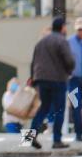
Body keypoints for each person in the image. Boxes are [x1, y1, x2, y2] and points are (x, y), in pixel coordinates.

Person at [28, 17, 75, 149]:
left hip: (42, 79)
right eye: (65, 26)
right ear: (62, 27)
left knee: (43, 108)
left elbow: (33, 62)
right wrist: (69, 71)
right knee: (59, 109)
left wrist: (33, 78)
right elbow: (69, 60)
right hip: (58, 79)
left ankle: (30, 137)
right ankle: (57, 140)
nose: (66, 29)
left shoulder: (41, 42)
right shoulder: (62, 40)